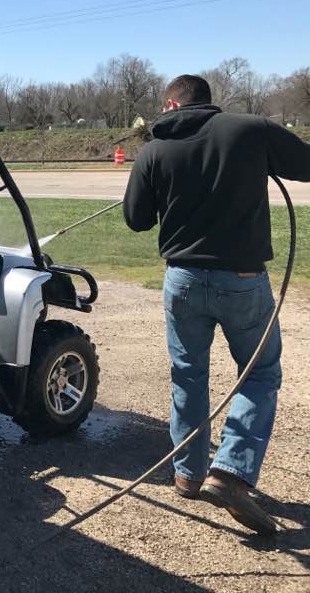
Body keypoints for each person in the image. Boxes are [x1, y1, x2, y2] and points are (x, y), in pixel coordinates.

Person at [123, 74, 310, 536]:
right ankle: (228, 473)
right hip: (243, 280)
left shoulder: (153, 150)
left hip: (182, 281)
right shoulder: (250, 130)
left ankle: (188, 474)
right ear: (209, 103)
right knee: (260, 373)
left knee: (188, 374)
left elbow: (136, 220)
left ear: (171, 103)